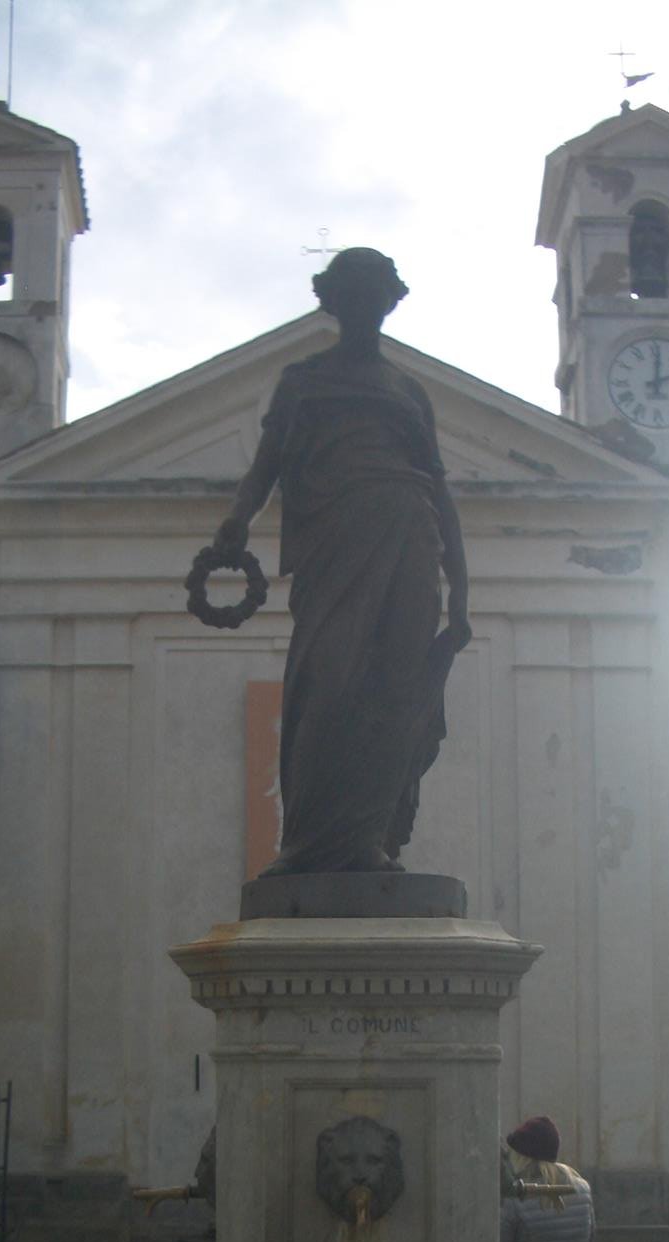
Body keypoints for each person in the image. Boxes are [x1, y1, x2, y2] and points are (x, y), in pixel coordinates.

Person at [210, 247, 471, 875]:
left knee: (396, 687)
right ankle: (309, 845)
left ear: (389, 302)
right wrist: (234, 524)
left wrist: (461, 591)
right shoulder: (303, 380)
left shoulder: (408, 391)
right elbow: (266, 465)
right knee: (328, 681)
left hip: (410, 538)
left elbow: (438, 488)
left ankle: (371, 840)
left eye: (376, 293)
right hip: (335, 542)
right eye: (352, 294)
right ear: (333, 302)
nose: (366, 306)